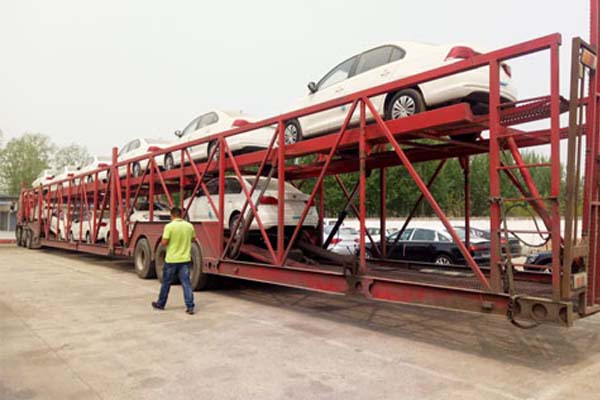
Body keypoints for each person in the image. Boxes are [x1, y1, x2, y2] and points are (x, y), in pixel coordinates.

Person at [152, 207, 196, 314]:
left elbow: (164, 242)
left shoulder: (169, 226)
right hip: (185, 259)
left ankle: (161, 303)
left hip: (171, 260)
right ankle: (190, 306)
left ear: (171, 215)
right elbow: (193, 239)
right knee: (186, 283)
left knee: (166, 283)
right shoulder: (189, 226)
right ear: (181, 215)